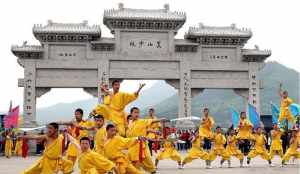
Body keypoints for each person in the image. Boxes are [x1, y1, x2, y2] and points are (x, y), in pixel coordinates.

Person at [126, 107, 167, 174]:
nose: (137, 114)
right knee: (134, 165)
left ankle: (153, 171)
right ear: (131, 113)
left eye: (138, 112)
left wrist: (160, 120)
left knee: (149, 162)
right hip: (132, 147)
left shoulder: (141, 121)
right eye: (135, 112)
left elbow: (151, 122)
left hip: (142, 147)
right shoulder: (129, 124)